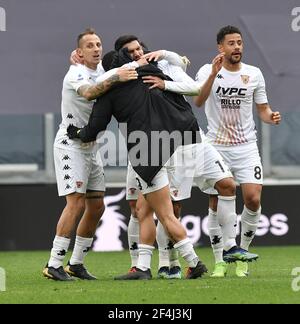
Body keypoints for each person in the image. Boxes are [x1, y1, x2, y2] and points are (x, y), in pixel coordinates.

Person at [67, 48, 239, 280]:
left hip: (145, 151)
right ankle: (149, 267)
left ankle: (181, 263)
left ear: (110, 71)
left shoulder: (109, 90)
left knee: (151, 212)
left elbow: (93, 130)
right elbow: (188, 90)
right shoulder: (154, 73)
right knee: (159, 212)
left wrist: (75, 131)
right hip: (176, 140)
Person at [43, 28, 138, 281]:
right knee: (75, 203)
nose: (96, 48)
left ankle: (76, 264)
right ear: (80, 52)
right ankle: (53, 263)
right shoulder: (76, 73)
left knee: (96, 206)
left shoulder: (102, 71)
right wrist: (117, 78)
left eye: (98, 44)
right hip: (70, 143)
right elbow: (89, 92)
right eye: (90, 45)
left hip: (91, 145)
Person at [194, 25, 281, 277]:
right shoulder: (206, 71)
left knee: (253, 199)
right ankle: (220, 260)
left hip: (245, 146)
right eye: (231, 43)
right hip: (216, 146)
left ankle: (241, 253)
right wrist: (212, 74)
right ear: (220, 47)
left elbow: (262, 109)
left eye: (240, 43)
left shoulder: (254, 74)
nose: (237, 48)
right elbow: (198, 101)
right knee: (214, 202)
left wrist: (270, 117)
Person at [114, 35, 193, 279]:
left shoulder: (164, 67)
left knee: (170, 207)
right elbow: (102, 78)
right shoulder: (121, 75)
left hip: (170, 144)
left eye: (140, 49)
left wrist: (165, 78)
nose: (138, 53)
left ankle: (171, 263)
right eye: (132, 51)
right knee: (137, 208)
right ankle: (138, 265)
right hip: (138, 148)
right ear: (123, 56)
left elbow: (194, 84)